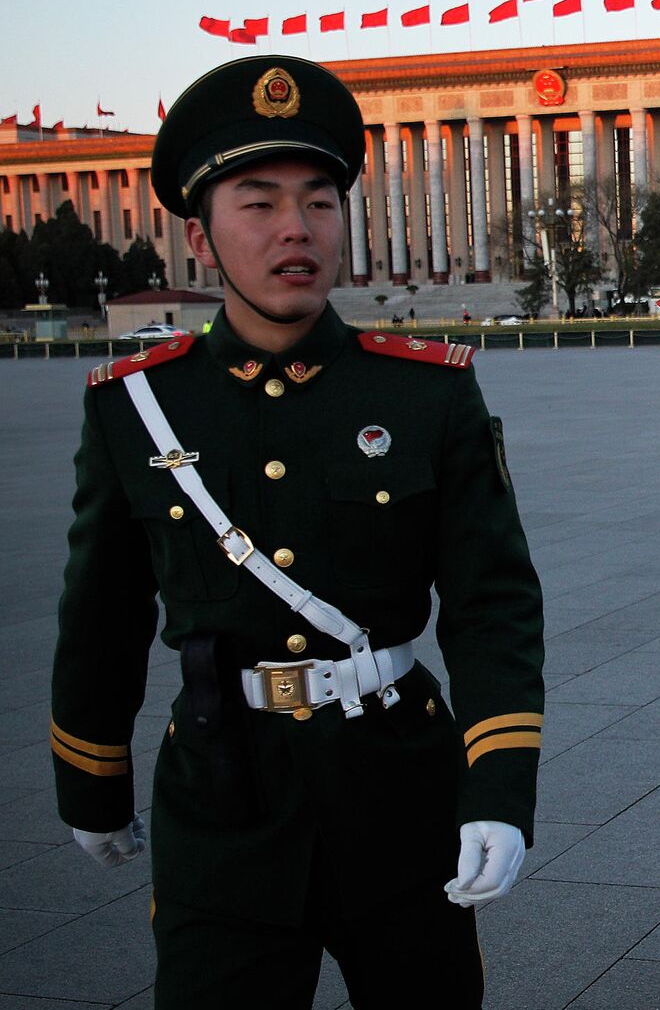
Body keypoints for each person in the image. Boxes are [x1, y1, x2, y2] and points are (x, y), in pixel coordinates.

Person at [50, 56, 545, 1009]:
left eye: (319, 201)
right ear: (199, 236)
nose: (295, 228)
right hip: (221, 795)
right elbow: (101, 610)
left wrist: (498, 790)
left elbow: (492, 604)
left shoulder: (424, 392)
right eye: (259, 200)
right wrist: (91, 775)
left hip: (398, 793)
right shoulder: (138, 406)